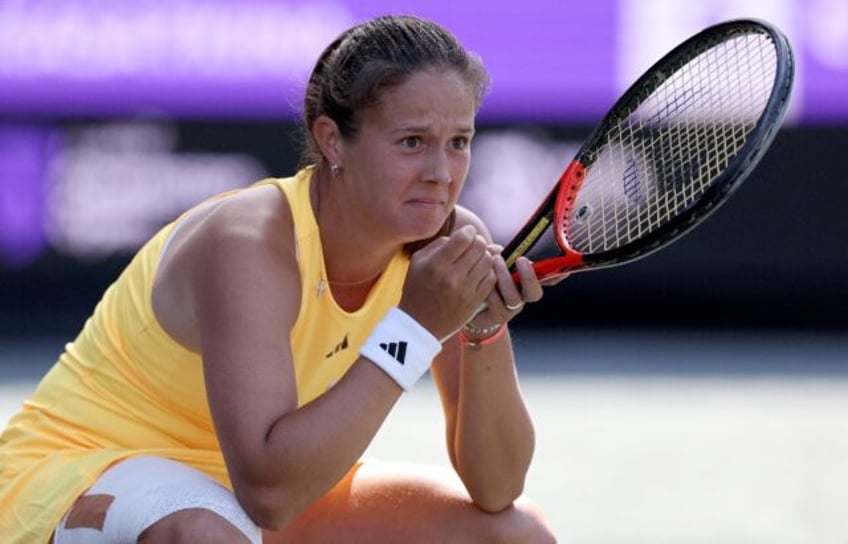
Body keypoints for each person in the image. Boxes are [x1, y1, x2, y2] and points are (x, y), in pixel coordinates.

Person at [0, 14, 560, 544]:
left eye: (458, 142)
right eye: (411, 142)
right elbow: (269, 492)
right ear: (332, 140)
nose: (441, 174)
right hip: (81, 473)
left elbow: (498, 488)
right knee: (204, 534)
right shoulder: (249, 240)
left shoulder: (449, 241)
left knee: (516, 534)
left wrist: (481, 331)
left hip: (250, 494)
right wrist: (413, 328)